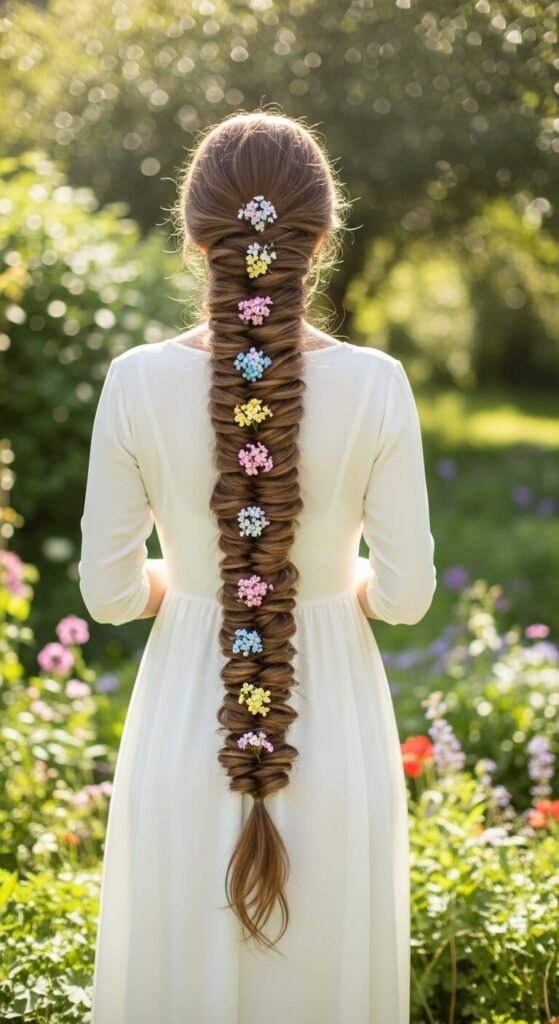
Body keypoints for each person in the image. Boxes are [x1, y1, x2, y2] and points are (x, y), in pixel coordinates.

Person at [79, 109, 437, 1024]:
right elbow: (404, 598)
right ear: (320, 240)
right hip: (333, 726)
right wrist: (326, 588)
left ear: (197, 238)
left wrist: (197, 589)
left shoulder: (133, 380)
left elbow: (109, 594)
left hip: (184, 724)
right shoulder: (378, 383)